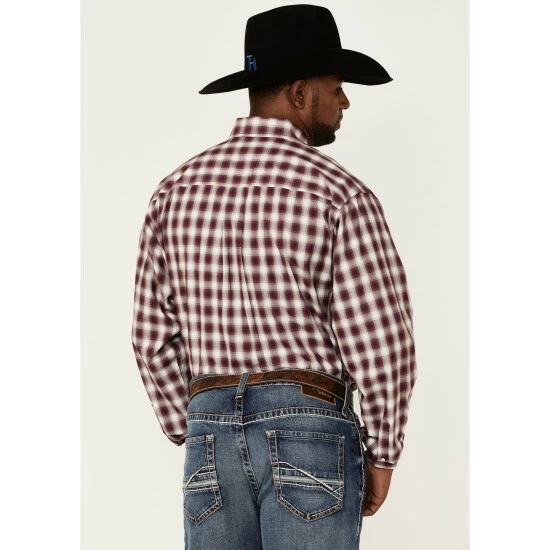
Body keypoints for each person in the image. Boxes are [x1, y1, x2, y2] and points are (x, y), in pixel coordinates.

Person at [131, 4, 418, 549]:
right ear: (301, 93)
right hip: (310, 432)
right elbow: (382, 343)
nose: (345, 101)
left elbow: (151, 336)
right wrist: (383, 452)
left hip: (210, 433)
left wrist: (195, 423)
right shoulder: (339, 195)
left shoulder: (174, 192)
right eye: (337, 88)